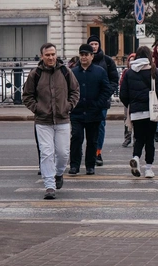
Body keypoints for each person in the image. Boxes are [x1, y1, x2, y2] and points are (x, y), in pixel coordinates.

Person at [22, 43, 80, 200]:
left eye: (53, 54)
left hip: (62, 119)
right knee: (46, 153)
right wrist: (37, 108)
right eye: (47, 55)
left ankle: (59, 173)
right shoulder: (36, 74)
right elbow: (27, 95)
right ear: (42, 56)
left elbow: (75, 90)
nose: (51, 57)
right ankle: (49, 185)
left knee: (62, 153)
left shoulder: (65, 71)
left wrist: (68, 106)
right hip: (43, 121)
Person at [119, 46, 158, 179]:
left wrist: (131, 105)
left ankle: (136, 157)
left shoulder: (129, 72)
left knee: (138, 138)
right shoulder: (152, 70)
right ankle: (148, 168)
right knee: (150, 140)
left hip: (136, 112)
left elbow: (123, 94)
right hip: (151, 111)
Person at [68, 44, 111, 176]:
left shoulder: (99, 71)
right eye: (82, 55)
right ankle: (74, 165)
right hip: (77, 112)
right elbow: (68, 90)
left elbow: (106, 89)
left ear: (92, 56)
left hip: (94, 112)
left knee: (92, 140)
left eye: (86, 55)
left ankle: (90, 165)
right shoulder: (73, 72)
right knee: (76, 137)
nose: (84, 57)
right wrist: (71, 105)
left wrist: (99, 104)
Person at [86, 35, 119, 167]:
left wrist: (106, 94)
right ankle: (87, 151)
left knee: (100, 126)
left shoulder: (107, 61)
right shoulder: (83, 60)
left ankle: (97, 152)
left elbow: (114, 80)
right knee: (83, 127)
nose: (94, 46)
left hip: (101, 101)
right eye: (91, 44)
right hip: (85, 101)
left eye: (95, 44)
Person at [120, 53, 136, 147]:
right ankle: (127, 137)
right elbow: (122, 85)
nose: (132, 62)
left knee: (136, 119)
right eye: (130, 60)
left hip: (136, 99)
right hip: (128, 99)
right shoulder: (126, 72)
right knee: (126, 119)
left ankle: (136, 138)